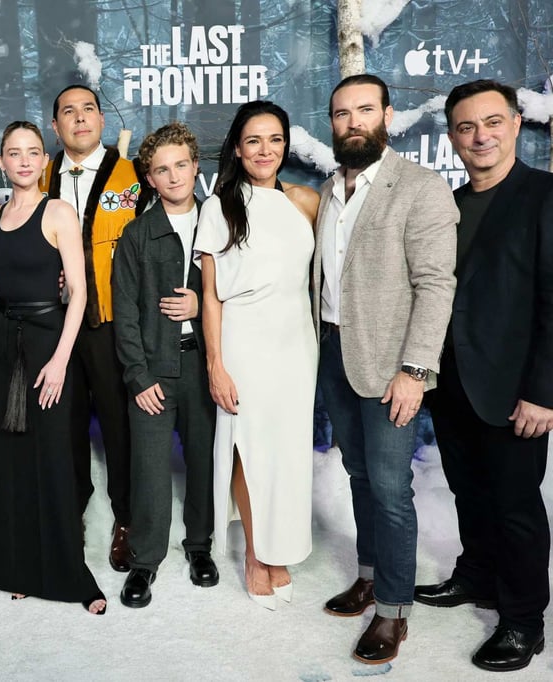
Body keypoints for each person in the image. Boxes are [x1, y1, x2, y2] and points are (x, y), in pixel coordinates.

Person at [313, 74, 458, 664]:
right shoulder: (328, 189)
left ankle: (394, 612)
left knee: (393, 490)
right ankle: (370, 576)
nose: (353, 122)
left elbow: (435, 285)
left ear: (388, 116)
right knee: (359, 475)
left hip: (394, 364)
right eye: (342, 113)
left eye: (364, 110)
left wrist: (416, 370)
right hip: (334, 353)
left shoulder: (420, 187)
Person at [413, 79, 552, 672]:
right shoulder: (448, 203)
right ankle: (476, 577)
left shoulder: (544, 196)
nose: (480, 137)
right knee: (469, 492)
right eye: (466, 127)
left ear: (517, 124)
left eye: (492, 122)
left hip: (515, 389)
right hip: (453, 385)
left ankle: (523, 621)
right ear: (451, 137)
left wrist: (544, 393)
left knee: (516, 506)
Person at [194, 102, 319, 611]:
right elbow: (210, 297)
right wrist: (215, 364)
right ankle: (254, 553)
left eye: (274, 140)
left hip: (296, 343)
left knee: (286, 453)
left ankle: (277, 547)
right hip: (243, 341)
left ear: (285, 145)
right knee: (247, 446)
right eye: (253, 141)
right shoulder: (218, 205)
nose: (264, 150)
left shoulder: (307, 201)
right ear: (237, 148)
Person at [0, 120, 105, 614]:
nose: (25, 160)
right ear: (2, 161)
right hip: (2, 344)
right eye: (15, 152)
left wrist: (59, 360)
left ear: (44, 161)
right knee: (10, 461)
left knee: (51, 458)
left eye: (33, 151)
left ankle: (68, 572)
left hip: (50, 343)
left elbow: (79, 293)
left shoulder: (59, 212)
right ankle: (16, 565)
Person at [39, 84, 146, 571]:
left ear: (102, 121)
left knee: (121, 428)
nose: (79, 119)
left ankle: (127, 520)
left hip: (110, 324)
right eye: (68, 112)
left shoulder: (134, 175)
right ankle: (70, 513)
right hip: (55, 327)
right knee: (61, 425)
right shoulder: (38, 178)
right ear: (55, 126)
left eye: (88, 110)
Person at [112, 122, 219, 609]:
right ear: (149, 179)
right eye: (161, 169)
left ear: (197, 168)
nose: (173, 176)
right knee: (150, 471)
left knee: (203, 463)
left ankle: (199, 547)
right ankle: (144, 560)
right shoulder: (137, 235)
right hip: (153, 372)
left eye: (181, 165)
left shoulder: (219, 226)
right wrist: (138, 375)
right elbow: (126, 312)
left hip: (205, 368)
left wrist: (204, 306)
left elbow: (250, 293)